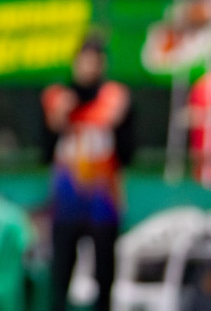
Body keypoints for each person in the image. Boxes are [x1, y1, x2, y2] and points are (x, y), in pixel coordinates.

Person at [43, 35, 134, 311]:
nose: (90, 67)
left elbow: (128, 152)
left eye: (96, 61)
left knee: (104, 273)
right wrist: (57, 117)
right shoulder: (58, 98)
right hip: (67, 201)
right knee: (61, 273)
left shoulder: (115, 98)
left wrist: (120, 118)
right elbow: (44, 150)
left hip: (103, 201)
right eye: (85, 60)